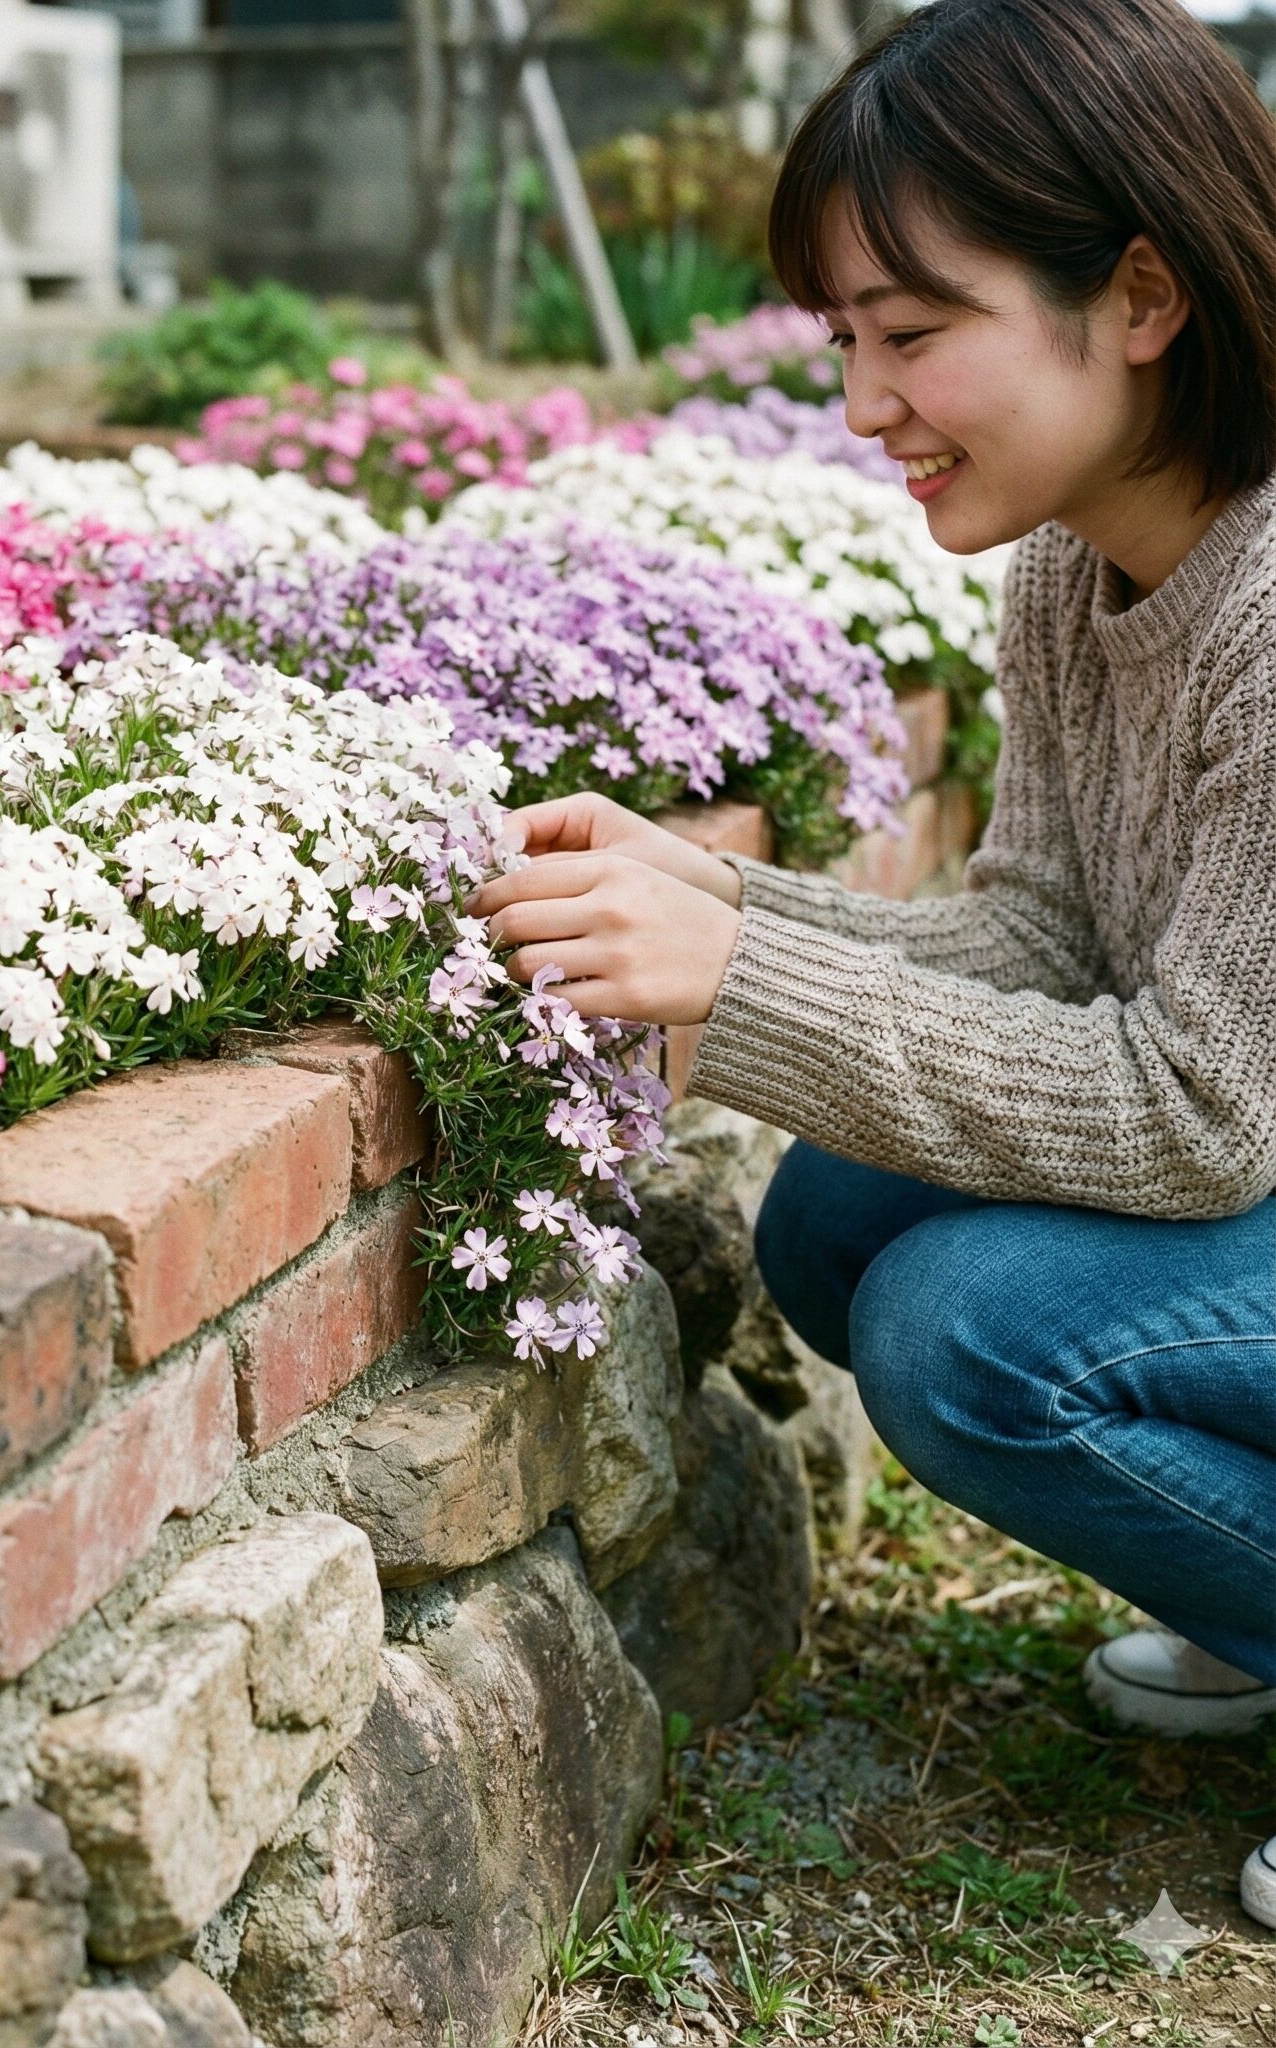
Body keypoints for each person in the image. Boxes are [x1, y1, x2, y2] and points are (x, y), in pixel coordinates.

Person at [469, 0, 1276, 1930]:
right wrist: (716, 904)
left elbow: (1198, 1115)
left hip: (1241, 1134)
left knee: (965, 1332)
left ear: (1143, 293)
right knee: (838, 1221)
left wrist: (730, 991)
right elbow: (1044, 938)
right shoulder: (1082, 569)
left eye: (914, 332)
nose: (861, 403)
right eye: (843, 338)